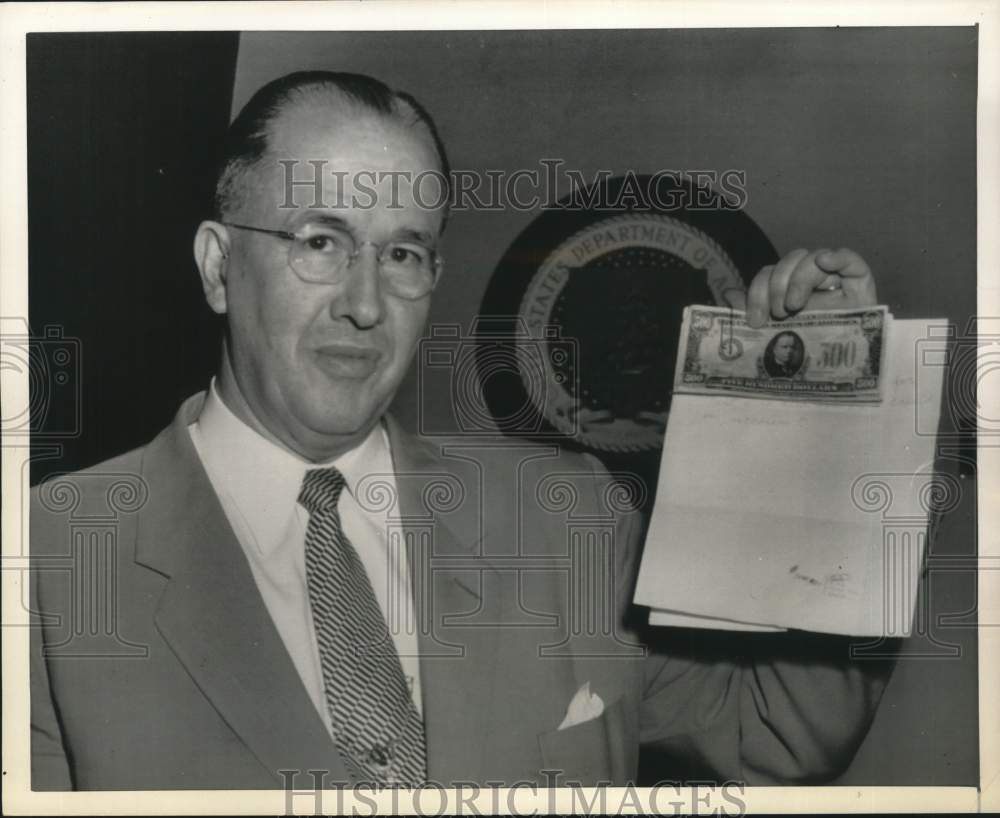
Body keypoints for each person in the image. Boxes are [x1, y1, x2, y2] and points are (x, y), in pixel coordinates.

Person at [30, 71, 888, 791]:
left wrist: (816, 403)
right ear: (219, 265)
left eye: (402, 254)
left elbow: (779, 732)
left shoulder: (567, 518)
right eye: (320, 241)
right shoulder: (46, 564)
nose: (365, 306)